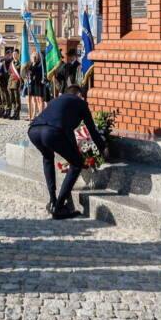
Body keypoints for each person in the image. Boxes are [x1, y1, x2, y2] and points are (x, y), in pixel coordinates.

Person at [27, 83, 106, 219]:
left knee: (47, 158)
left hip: (34, 130)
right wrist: (102, 148)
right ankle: (59, 207)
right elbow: (91, 130)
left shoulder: (57, 100)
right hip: (51, 132)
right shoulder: (80, 103)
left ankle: (52, 200)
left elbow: (73, 129)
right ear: (80, 95)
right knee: (76, 164)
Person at [26, 54, 45, 118]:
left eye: (35, 57)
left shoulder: (39, 65)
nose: (34, 58)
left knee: (38, 99)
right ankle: (32, 114)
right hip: (31, 83)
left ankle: (38, 114)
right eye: (33, 57)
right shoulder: (30, 65)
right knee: (31, 99)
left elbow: (38, 73)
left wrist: (32, 72)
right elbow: (28, 72)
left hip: (38, 83)